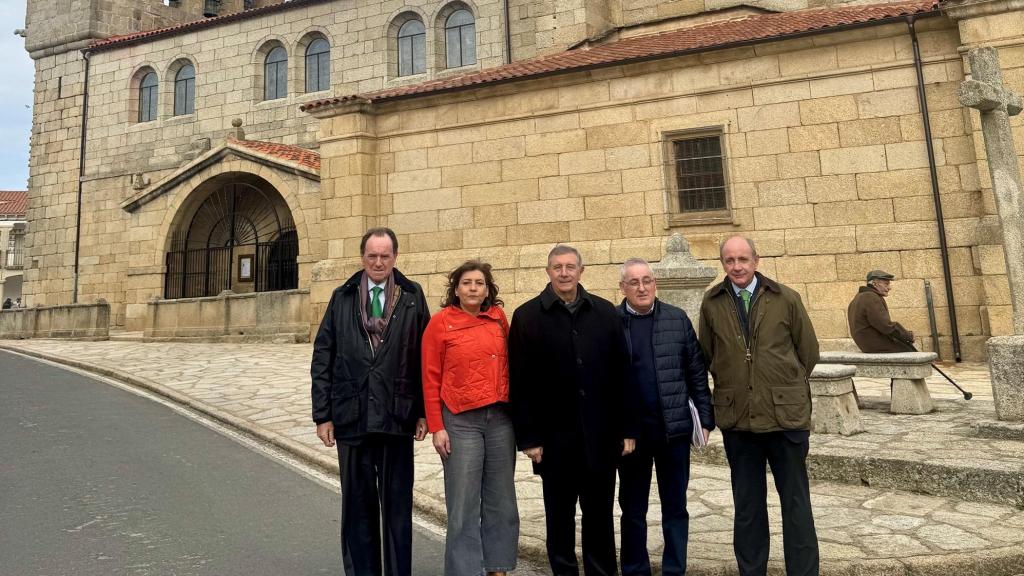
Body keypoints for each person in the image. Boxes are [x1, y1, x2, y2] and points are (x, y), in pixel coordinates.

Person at [310, 227, 430, 576]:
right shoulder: (342, 296)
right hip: (353, 416)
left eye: (385, 256)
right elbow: (323, 356)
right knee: (357, 508)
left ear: (395, 257)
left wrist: (423, 412)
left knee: (396, 509)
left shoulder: (411, 295)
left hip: (397, 416)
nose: (379, 262)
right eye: (372, 256)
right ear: (362, 257)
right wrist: (323, 415)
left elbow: (425, 356)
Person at [698, 235, 820, 576]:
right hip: (739, 422)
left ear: (756, 260)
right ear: (723, 263)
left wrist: (779, 386)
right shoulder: (712, 302)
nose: (737, 266)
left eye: (743, 259)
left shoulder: (786, 298)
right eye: (730, 260)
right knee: (748, 507)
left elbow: (807, 352)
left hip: (786, 419)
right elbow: (709, 355)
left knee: (796, 503)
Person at [509, 244, 631, 576]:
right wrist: (530, 438)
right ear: (548, 272)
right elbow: (520, 383)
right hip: (554, 440)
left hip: (600, 438)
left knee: (600, 519)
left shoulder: (605, 313)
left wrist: (627, 429)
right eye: (557, 267)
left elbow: (622, 375)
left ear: (581, 271)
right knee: (559, 521)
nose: (564, 273)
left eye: (570, 267)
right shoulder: (526, 316)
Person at [616, 258, 714, 576]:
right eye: (634, 282)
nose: (642, 287)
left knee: (675, 507)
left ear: (655, 283)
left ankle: (675, 569)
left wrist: (706, 418)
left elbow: (696, 371)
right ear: (623, 288)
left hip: (673, 431)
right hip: (631, 436)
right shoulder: (610, 323)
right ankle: (635, 569)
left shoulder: (677, 318)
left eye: (647, 280)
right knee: (632, 509)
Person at [421, 260, 519, 576]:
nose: (473, 288)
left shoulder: (499, 319)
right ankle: (464, 570)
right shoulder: (440, 323)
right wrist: (437, 426)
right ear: (456, 289)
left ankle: (498, 566)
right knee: (463, 503)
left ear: (488, 289)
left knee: (501, 499)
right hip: (460, 420)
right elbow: (430, 377)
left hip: (500, 419)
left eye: (479, 282)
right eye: (466, 283)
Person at [847, 270, 916, 353]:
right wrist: (908, 336)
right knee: (909, 351)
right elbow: (885, 326)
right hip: (876, 344)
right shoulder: (870, 297)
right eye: (886, 284)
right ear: (875, 284)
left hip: (868, 344)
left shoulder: (859, 297)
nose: (889, 288)